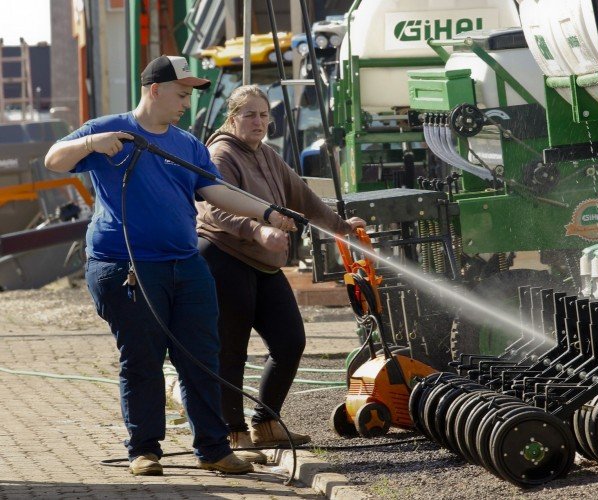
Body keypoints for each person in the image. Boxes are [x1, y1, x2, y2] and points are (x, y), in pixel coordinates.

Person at [44, 56, 292, 476]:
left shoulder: (189, 144)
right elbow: (53, 159)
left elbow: (216, 190)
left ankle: (213, 449)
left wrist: (267, 214)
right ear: (155, 90)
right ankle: (144, 450)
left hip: (186, 264)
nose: (186, 104)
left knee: (201, 357)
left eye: (190, 96)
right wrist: (90, 144)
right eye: (181, 94)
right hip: (125, 266)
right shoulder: (109, 130)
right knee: (142, 358)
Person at [196, 85, 365, 463]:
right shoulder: (220, 154)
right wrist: (257, 229)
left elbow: (302, 196)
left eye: (263, 115)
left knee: (290, 340)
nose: (258, 122)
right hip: (224, 256)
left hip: (264, 262)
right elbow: (213, 210)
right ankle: (234, 433)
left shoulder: (268, 155)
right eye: (249, 115)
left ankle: (266, 423)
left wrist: (340, 226)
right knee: (231, 350)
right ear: (233, 117)